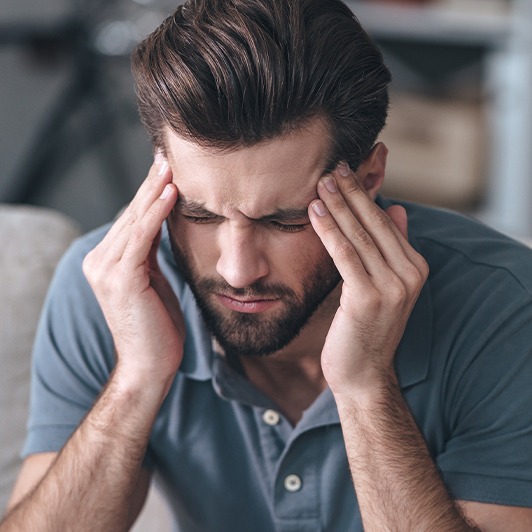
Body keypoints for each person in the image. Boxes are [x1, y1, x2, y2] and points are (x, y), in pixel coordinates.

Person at [2, 0, 532, 530]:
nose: (237, 270)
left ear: (368, 181)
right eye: (199, 213)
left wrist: (366, 389)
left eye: (283, 221)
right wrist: (137, 381)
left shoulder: (505, 308)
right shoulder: (111, 286)